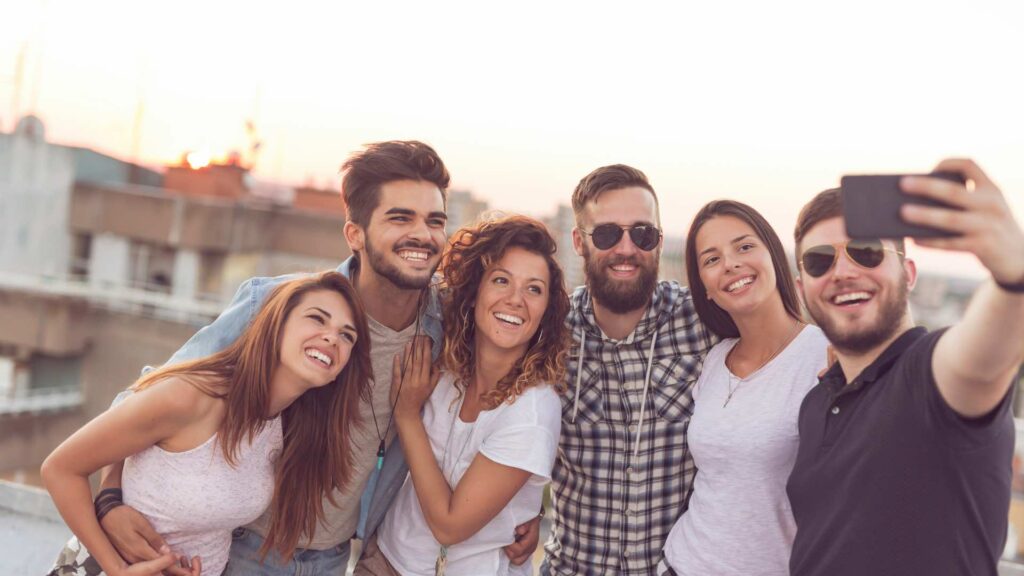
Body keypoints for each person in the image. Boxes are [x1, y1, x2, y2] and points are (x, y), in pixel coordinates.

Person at [97, 140, 540, 575]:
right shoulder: (279, 307)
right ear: (355, 233)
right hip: (239, 548)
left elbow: (503, 401)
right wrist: (110, 500)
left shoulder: (449, 331)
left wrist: (523, 511)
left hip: (334, 558)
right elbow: (144, 397)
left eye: (434, 220)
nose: (422, 236)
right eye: (400, 218)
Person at [42, 271, 373, 576]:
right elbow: (60, 469)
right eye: (317, 318)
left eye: (347, 336)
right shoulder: (192, 396)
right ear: (276, 325)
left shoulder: (289, 423)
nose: (332, 338)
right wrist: (116, 567)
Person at [786, 159, 1024, 575]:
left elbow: (981, 358)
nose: (843, 271)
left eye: (866, 252)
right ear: (802, 288)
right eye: (820, 261)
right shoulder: (816, 404)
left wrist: (1014, 275)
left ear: (908, 273)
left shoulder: (932, 377)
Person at [354, 214, 570, 575]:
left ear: (546, 311)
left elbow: (449, 526)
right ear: (474, 293)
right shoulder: (443, 363)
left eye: (534, 289)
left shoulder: (532, 412)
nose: (516, 300)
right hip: (384, 559)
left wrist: (408, 416)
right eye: (501, 280)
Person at [541, 165, 715, 575]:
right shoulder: (549, 332)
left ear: (657, 239)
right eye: (606, 234)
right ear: (578, 242)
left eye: (642, 233)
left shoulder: (705, 322)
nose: (626, 248)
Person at [658, 200, 829, 575]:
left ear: (774, 255)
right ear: (705, 289)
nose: (731, 264)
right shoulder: (714, 360)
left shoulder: (825, 356)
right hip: (679, 563)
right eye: (711, 259)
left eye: (744, 247)